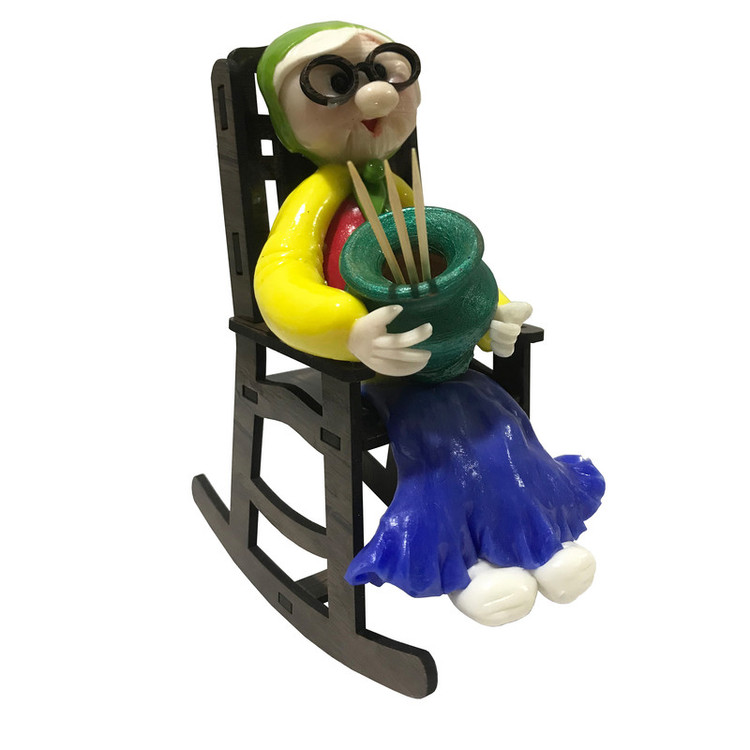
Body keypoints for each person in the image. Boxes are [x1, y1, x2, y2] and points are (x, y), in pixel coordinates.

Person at [255, 21, 604, 626]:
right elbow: (279, 282)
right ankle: (456, 565)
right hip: (365, 366)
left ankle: (536, 541)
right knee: (440, 430)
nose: (374, 97)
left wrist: (492, 310)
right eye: (337, 83)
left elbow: (447, 267)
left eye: (384, 75)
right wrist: (348, 330)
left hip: (434, 357)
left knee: (497, 415)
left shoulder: (398, 187)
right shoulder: (316, 196)